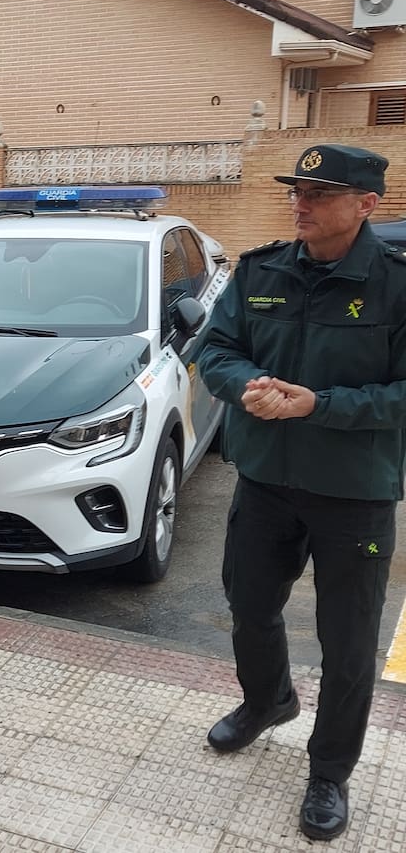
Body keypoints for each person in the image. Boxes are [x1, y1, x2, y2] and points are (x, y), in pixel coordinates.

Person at [198, 144, 406, 841]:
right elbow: (216, 349)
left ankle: (329, 770)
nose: (302, 203)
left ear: (366, 204)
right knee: (249, 605)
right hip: (264, 481)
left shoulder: (396, 286)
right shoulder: (262, 270)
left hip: (353, 492)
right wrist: (247, 388)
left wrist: (318, 405)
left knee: (347, 641)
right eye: (298, 190)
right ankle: (267, 702)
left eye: (320, 193)